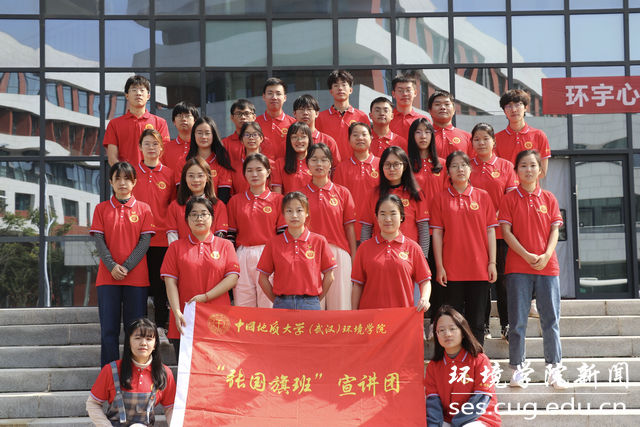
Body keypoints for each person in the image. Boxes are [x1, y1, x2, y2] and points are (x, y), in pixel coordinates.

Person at [498, 149, 568, 390]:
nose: (528, 170)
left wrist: (546, 255)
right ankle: (517, 370)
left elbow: (555, 230)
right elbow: (506, 233)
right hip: (518, 267)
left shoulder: (549, 198)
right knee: (517, 321)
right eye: (523, 166)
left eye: (533, 165)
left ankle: (554, 371)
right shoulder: (509, 199)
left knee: (551, 320)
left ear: (540, 170)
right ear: (516, 171)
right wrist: (527, 255)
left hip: (548, 267)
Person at [90, 162, 155, 367]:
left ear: (134, 182)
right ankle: (109, 376)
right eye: (117, 178)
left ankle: (133, 372)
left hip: (136, 280)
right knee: (108, 331)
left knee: (135, 330)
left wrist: (126, 266)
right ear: (110, 182)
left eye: (127, 178)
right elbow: (99, 241)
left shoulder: (144, 209)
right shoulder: (101, 209)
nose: (122, 183)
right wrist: (112, 266)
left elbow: (144, 242)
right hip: (107, 279)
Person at [430, 151, 497, 345]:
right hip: (452, 270)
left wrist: (492, 263)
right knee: (453, 321)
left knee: (477, 320)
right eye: (454, 166)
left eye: (463, 165)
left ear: (470, 169)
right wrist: (440, 266)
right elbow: (437, 234)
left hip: (479, 268)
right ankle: (456, 358)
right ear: (448, 172)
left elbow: (490, 231)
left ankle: (477, 358)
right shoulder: (440, 198)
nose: (460, 169)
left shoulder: (483, 196)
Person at [161, 196, 240, 358]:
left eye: (204, 214)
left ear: (212, 217)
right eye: (194, 214)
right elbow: (170, 283)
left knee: (216, 367)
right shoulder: (176, 247)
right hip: (185, 318)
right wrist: (177, 312)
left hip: (217, 319)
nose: (199, 218)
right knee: (186, 369)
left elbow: (232, 278)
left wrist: (205, 297)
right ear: (186, 220)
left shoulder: (225, 245)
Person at [469, 123, 518, 341]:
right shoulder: (467, 166)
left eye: (485, 138)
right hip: (474, 235)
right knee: (481, 281)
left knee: (503, 280)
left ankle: (506, 324)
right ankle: (483, 325)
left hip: (500, 234)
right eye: (477, 139)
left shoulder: (505, 166)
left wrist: (492, 216)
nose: (481, 143)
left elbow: (511, 198)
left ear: (493, 142)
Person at [86, 318, 176, 427]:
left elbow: (171, 408)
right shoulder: (111, 370)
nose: (143, 343)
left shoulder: (164, 373)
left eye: (149, 339)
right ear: (129, 342)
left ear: (155, 344)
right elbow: (93, 404)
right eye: (137, 338)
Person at [257, 192, 337, 310]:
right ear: (283, 214)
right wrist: (277, 301)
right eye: (289, 211)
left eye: (299, 210)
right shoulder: (273, 243)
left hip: (310, 303)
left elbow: (330, 275)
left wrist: (315, 300)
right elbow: (262, 278)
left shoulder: (319, 241)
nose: (294, 215)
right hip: (282, 304)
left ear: (307, 213)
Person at [351, 194, 431, 311]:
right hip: (371, 316)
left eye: (393, 214)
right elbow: (357, 285)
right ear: (376, 217)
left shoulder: (413, 248)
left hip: (402, 317)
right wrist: (354, 313)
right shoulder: (364, 248)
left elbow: (425, 280)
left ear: (401, 217)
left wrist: (424, 298)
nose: (387, 219)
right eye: (383, 214)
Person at [301, 143, 357, 310]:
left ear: (331, 163)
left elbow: (349, 228)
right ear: (307, 163)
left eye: (324, 160)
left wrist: (353, 257)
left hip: (338, 252)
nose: (319, 164)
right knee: (313, 306)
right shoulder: (300, 195)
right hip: (309, 253)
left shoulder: (343, 193)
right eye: (314, 160)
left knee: (341, 306)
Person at [425, 305, 500, 427]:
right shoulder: (433, 366)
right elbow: (433, 401)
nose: (447, 334)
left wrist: (457, 423)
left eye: (452, 329)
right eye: (441, 330)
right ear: (436, 335)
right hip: (447, 420)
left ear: (463, 332)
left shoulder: (480, 360)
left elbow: (482, 398)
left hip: (478, 418)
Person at [132, 129, 176, 335]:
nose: (151, 148)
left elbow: (173, 206)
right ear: (140, 147)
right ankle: (138, 327)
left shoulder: (170, 174)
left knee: (160, 285)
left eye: (155, 144)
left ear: (161, 148)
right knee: (139, 284)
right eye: (147, 143)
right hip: (136, 238)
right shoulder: (132, 173)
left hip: (161, 238)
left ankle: (160, 326)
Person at [227, 153, 285, 308]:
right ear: (244, 173)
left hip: (268, 253)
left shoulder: (278, 200)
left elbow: (282, 235)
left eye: (259, 170)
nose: (254, 174)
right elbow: (231, 235)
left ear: (268, 172)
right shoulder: (235, 201)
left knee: (268, 303)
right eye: (249, 170)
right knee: (243, 303)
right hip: (242, 254)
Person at [360, 146, 430, 258]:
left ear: (404, 166)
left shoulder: (415, 194)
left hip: (409, 256)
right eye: (387, 165)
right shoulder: (373, 194)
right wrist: (365, 256)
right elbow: (366, 228)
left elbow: (423, 229)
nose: (391, 169)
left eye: (396, 164)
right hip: (379, 256)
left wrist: (423, 257)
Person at [104, 75, 170, 166]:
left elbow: (164, 154)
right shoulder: (114, 124)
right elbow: (112, 158)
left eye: (142, 90)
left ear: (148, 96)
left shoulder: (160, 123)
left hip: (151, 174)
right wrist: (124, 172)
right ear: (127, 95)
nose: (138, 93)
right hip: (126, 174)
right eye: (134, 90)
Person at [333, 122, 381, 242]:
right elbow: (338, 202)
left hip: (378, 229)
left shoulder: (381, 164)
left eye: (364, 134)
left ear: (371, 138)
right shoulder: (342, 168)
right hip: (351, 231)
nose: (360, 138)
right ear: (349, 140)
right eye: (355, 135)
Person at [166, 158, 228, 244]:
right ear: (184, 178)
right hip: (182, 252)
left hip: (211, 251)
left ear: (207, 178)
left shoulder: (218, 205)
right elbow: (172, 237)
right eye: (191, 176)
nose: (195, 180)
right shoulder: (175, 206)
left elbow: (220, 237)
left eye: (200, 175)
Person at [495, 89, 551, 178]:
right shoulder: (496, 139)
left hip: (531, 186)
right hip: (507, 186)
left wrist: (525, 182)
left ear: (525, 108)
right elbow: (496, 170)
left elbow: (543, 172)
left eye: (517, 105)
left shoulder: (539, 135)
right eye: (508, 106)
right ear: (504, 111)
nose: (513, 110)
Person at [316, 70, 369, 160]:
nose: (340, 88)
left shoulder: (362, 117)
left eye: (344, 85)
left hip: (354, 165)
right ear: (331, 91)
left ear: (351, 90)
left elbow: (368, 144)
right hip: (329, 165)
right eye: (336, 85)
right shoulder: (320, 117)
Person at [184, 116, 234, 203]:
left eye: (207, 133)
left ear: (213, 135)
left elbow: (223, 198)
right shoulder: (184, 162)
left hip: (216, 209)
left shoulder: (222, 161)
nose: (203, 137)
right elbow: (182, 195)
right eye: (199, 133)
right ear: (193, 135)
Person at [291, 94, 341, 164]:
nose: (305, 113)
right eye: (301, 109)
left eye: (309, 109)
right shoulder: (289, 142)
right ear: (294, 114)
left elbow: (336, 167)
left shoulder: (328, 141)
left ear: (317, 113)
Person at [256, 77, 296, 161]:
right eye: (270, 93)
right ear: (264, 97)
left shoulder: (294, 124)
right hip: (261, 167)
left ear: (285, 98)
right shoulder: (254, 124)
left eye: (278, 93)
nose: (274, 97)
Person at [428, 90, 472, 159]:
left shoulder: (467, 137)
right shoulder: (424, 136)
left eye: (447, 104)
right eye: (437, 104)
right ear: (430, 111)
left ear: (454, 110)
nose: (443, 107)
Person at [271, 122, 313, 194]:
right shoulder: (280, 164)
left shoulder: (315, 163)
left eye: (303, 137)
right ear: (289, 140)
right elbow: (277, 196)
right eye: (294, 137)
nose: (299, 141)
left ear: (309, 139)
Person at [389, 74, 430, 141]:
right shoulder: (386, 119)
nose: (404, 94)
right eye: (400, 90)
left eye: (408, 90)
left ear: (415, 93)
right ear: (393, 94)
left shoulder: (423, 120)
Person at [162, 101, 199, 173]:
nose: (183, 119)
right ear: (174, 121)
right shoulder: (165, 148)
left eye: (187, 115)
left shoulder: (201, 146)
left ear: (195, 120)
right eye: (179, 116)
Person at [223, 99, 257, 166]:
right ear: (232, 117)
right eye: (238, 114)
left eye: (247, 113)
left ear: (254, 117)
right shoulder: (225, 144)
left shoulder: (261, 140)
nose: (243, 117)